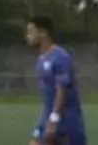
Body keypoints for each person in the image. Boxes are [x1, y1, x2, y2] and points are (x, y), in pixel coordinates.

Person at [26, 16, 86, 145]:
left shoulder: (60, 57)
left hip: (67, 123)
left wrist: (53, 120)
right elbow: (48, 96)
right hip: (47, 119)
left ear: (43, 33)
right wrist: (42, 121)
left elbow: (61, 91)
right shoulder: (41, 59)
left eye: (31, 32)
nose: (28, 36)